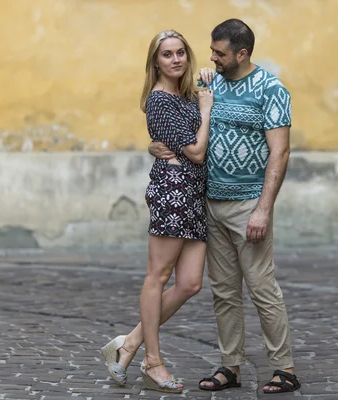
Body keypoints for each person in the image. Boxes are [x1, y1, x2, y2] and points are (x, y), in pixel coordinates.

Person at [148, 19, 301, 394]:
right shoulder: (210, 84)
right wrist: (154, 145)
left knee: (262, 287)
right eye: (212, 51)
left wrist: (264, 208)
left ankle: (284, 368)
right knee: (224, 292)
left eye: (220, 53)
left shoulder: (270, 89)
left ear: (242, 54)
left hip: (249, 204)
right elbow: (179, 125)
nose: (211, 57)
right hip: (210, 202)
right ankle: (230, 365)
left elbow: (280, 152)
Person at [100, 30, 213, 394]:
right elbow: (196, 152)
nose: (176, 59)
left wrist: (206, 88)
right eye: (167, 55)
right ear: (156, 62)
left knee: (191, 283)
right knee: (158, 275)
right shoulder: (161, 100)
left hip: (194, 193)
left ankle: (129, 343)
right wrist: (206, 108)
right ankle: (153, 362)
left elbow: (191, 139)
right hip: (173, 193)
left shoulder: (187, 95)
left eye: (181, 52)